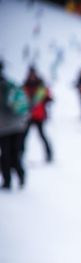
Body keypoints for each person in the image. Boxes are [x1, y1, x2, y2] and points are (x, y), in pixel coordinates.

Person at [0, 61, 29, 189]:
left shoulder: (4, 87)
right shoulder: (11, 85)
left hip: (5, 127)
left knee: (6, 154)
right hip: (18, 125)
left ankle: (8, 180)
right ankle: (20, 176)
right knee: (14, 153)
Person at [23, 65, 53, 163]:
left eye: (33, 74)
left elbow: (48, 97)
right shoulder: (25, 85)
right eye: (31, 74)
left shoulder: (41, 86)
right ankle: (19, 156)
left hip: (39, 115)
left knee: (42, 136)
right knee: (23, 137)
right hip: (28, 115)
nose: (32, 76)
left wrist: (47, 99)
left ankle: (49, 155)